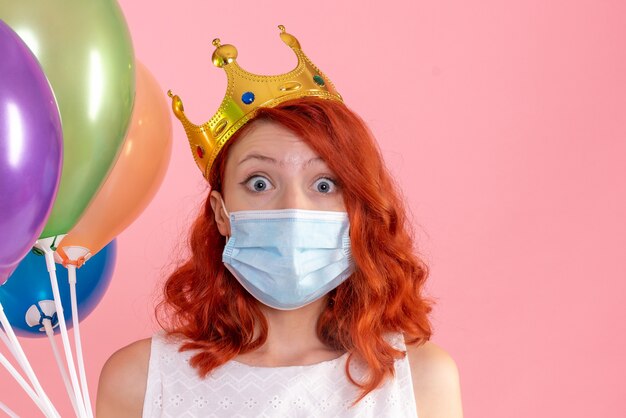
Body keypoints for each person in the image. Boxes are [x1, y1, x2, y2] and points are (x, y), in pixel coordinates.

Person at [96, 26, 463, 418]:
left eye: (324, 184)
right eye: (259, 182)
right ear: (222, 214)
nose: (292, 207)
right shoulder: (141, 380)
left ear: (358, 211)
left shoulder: (421, 380)